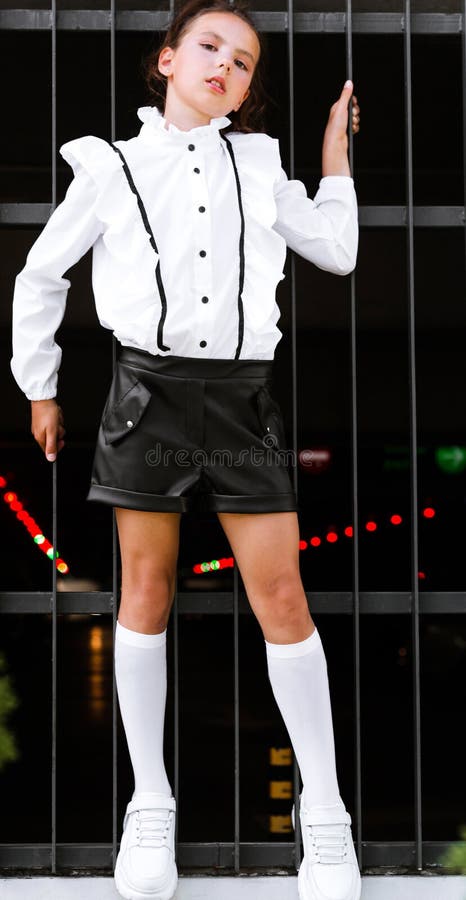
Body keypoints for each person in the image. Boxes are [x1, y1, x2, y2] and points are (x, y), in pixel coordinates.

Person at [10, 0, 361, 897]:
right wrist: (40, 385)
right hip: (147, 396)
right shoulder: (113, 165)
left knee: (282, 593)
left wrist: (332, 149)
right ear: (166, 60)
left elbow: (338, 251)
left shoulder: (261, 163)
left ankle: (324, 813)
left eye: (244, 63)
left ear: (248, 91)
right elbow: (41, 273)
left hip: (244, 400)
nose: (226, 68)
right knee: (148, 594)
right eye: (210, 48)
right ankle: (151, 804)